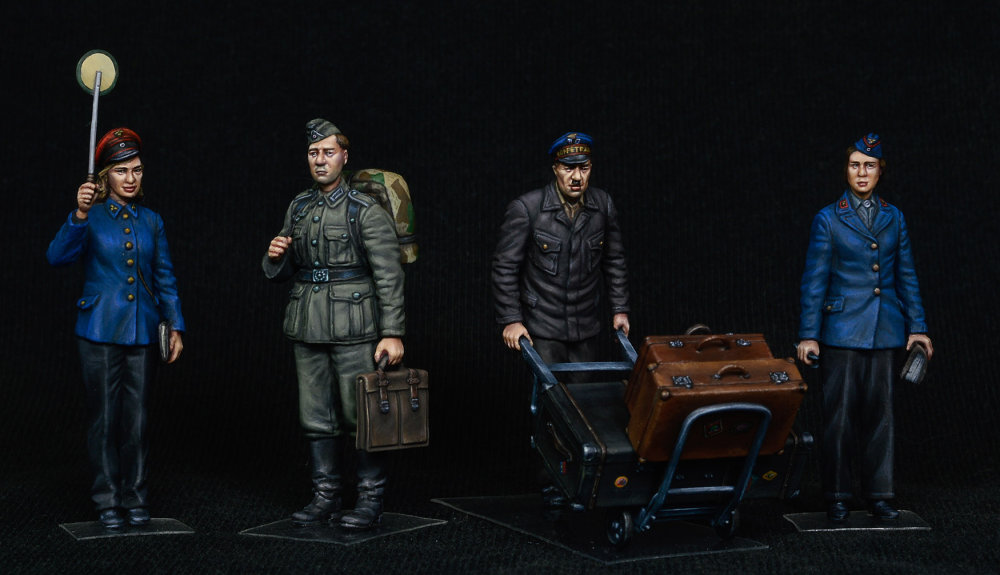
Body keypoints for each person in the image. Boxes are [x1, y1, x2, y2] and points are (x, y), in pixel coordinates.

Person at [263, 119, 405, 531]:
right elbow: (285, 267)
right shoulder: (299, 207)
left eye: (328, 152)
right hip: (308, 322)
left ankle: (370, 498)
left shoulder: (365, 211)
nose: (320, 160)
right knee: (315, 415)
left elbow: (389, 276)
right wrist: (275, 256)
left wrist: (392, 333)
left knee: (361, 415)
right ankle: (325, 496)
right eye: (313, 153)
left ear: (344, 156)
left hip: (354, 326)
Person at [47, 127, 185, 529]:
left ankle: (136, 498)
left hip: (142, 330)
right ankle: (107, 500)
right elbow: (57, 257)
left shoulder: (151, 221)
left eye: (137, 170)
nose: (130, 178)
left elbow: (164, 276)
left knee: (137, 422)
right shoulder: (90, 217)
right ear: (106, 175)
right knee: (104, 420)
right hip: (99, 328)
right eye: (122, 171)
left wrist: (175, 325)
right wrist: (79, 214)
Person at [796, 133, 933, 523]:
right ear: (846, 170)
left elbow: (906, 275)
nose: (861, 172)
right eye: (855, 165)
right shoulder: (828, 218)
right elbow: (814, 280)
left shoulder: (894, 217)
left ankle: (880, 495)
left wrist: (918, 326)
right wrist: (809, 334)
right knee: (838, 418)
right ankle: (837, 495)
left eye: (869, 165)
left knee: (880, 418)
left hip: (885, 328)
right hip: (841, 330)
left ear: (880, 171)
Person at [491, 131, 630, 365]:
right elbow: (505, 267)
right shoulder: (527, 208)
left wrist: (620, 309)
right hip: (541, 326)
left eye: (584, 168)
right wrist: (511, 320)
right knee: (550, 386)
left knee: (586, 387)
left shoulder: (603, 205)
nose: (577, 177)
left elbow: (614, 261)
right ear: (556, 169)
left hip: (586, 325)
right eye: (568, 168)